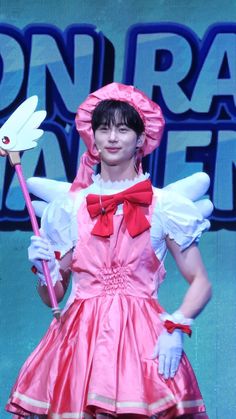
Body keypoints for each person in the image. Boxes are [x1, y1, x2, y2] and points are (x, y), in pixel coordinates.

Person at [6, 82, 212, 418]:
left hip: (141, 343)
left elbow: (200, 281)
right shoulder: (70, 208)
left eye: (123, 128)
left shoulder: (163, 206)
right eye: (104, 128)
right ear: (93, 138)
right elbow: (53, 297)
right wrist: (45, 270)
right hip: (78, 344)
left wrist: (178, 325)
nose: (112, 137)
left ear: (141, 139)